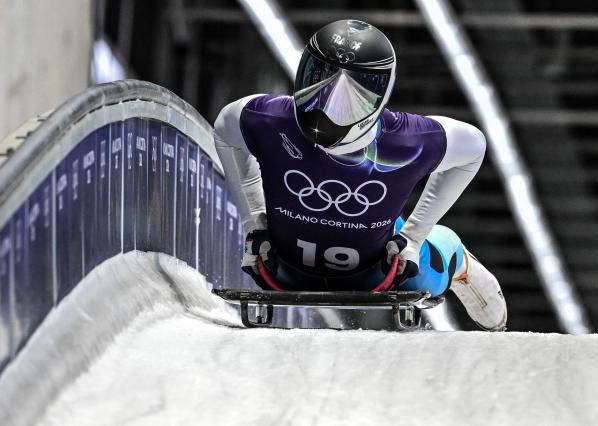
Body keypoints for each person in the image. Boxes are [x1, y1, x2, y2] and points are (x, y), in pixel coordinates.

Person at [213, 19, 507, 331]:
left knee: (420, 278)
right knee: (270, 270)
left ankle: (458, 260)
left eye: (353, 95)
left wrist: (412, 238)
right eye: (320, 83)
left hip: (378, 268)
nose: (328, 106)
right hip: (287, 268)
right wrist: (254, 225)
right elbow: (224, 128)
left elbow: (474, 148)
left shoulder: (407, 141)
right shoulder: (266, 119)